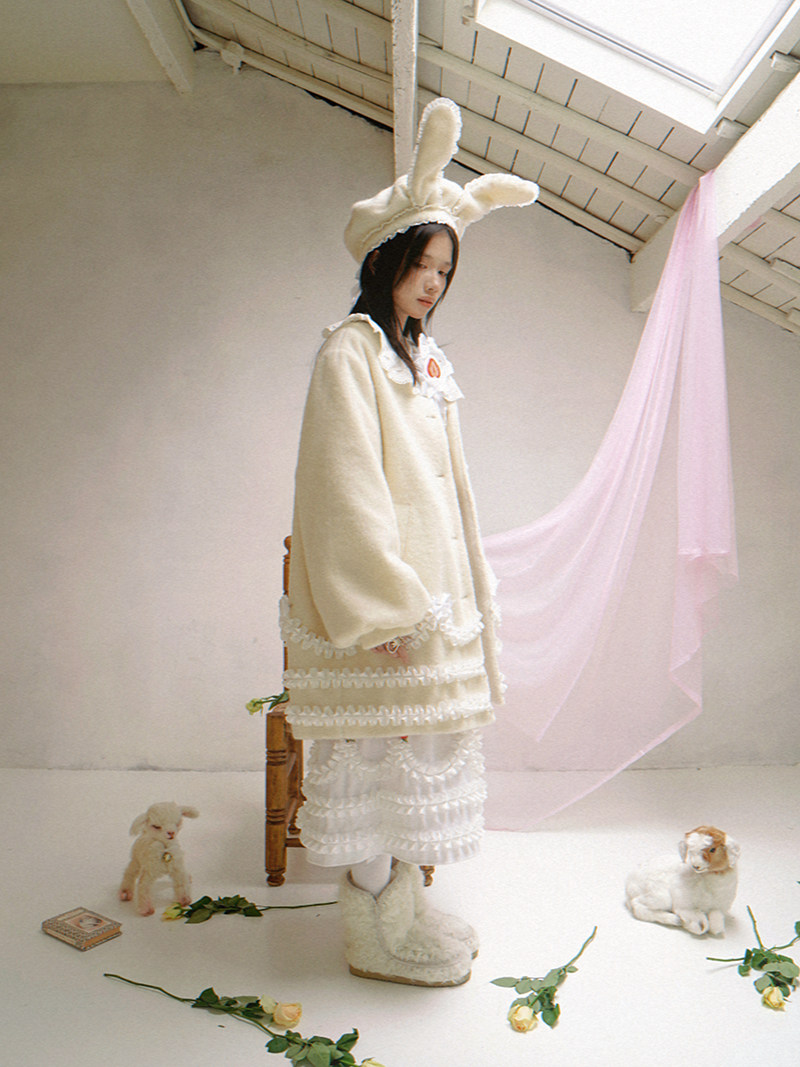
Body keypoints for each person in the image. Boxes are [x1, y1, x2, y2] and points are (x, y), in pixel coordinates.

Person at [281, 98, 538, 987]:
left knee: (410, 761)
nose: (432, 282)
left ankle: (399, 913)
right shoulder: (350, 351)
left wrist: (453, 594)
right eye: (421, 263)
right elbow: (340, 487)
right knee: (368, 759)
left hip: (436, 602)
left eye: (444, 269)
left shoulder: (423, 358)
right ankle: (372, 936)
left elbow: (444, 493)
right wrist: (383, 604)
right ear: (383, 259)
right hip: (386, 609)